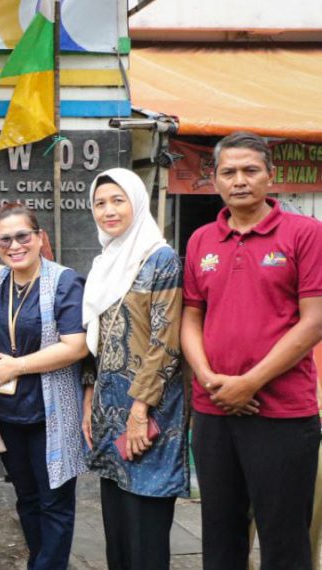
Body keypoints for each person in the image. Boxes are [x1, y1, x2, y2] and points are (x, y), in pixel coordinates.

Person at [181, 131, 322, 570]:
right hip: (213, 409)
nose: (239, 180)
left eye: (250, 170)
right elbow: (191, 317)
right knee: (220, 535)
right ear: (215, 180)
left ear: (270, 176)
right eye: (228, 172)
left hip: (282, 412)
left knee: (284, 540)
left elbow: (314, 320)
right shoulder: (201, 240)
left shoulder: (306, 233)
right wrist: (208, 378)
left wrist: (250, 382)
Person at [79, 169, 188, 570]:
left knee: (146, 529)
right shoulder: (105, 262)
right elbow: (96, 340)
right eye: (99, 203)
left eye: (117, 200)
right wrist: (89, 398)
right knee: (119, 531)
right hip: (110, 415)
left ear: (137, 203)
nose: (108, 210)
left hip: (150, 413)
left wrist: (140, 411)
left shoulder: (160, 259)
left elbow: (166, 343)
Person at [0, 201, 89, 570]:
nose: (15, 245)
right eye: (5, 239)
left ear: (40, 237)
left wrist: (17, 366)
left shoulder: (64, 281)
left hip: (49, 413)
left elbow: (75, 346)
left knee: (54, 502)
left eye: (23, 236)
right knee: (26, 498)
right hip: (8, 413)